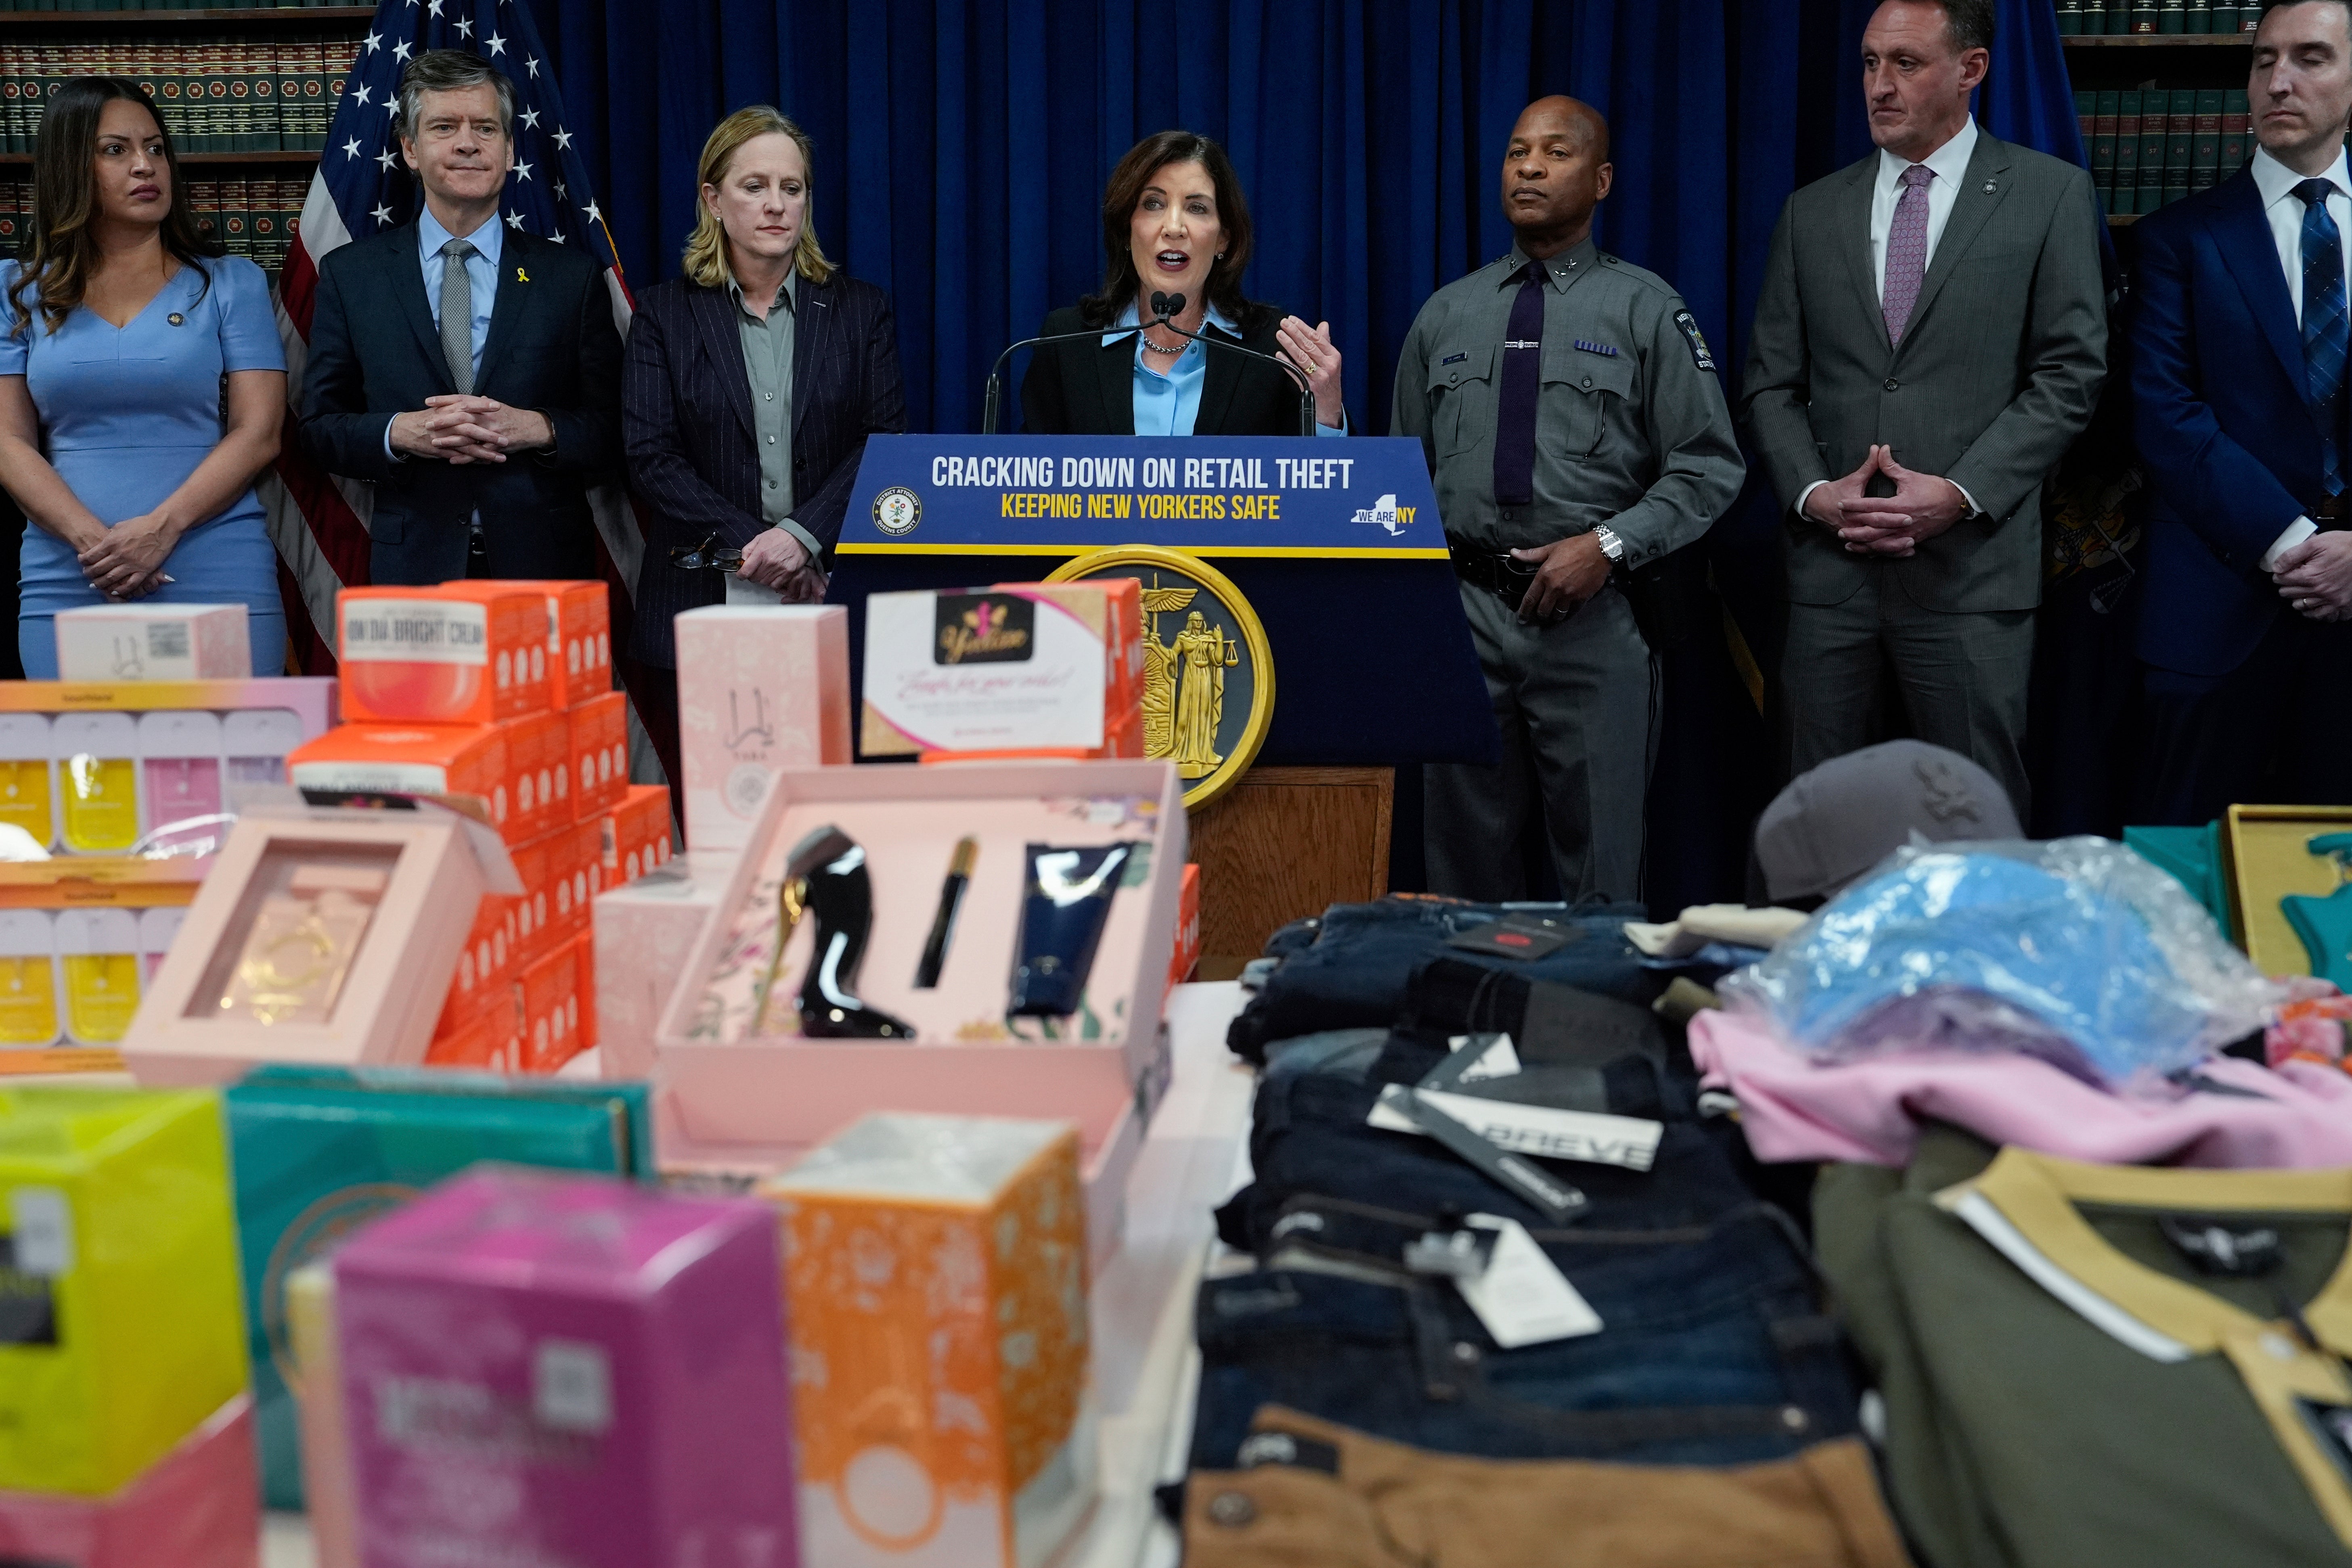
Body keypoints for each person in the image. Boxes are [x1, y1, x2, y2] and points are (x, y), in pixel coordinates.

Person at [1740, 0, 2107, 823]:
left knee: (1974, 826)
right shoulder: (1811, 212)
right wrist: (1811, 493)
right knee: (1812, 832)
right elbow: (1769, 382)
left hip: (1971, 577)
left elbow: (2070, 374)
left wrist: (1961, 492)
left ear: (1970, 70)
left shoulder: (2049, 196)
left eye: (1905, 63)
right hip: (1828, 578)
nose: (1879, 85)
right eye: (1870, 63)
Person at [1393, 96, 1744, 903]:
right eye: (1517, 152)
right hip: (1467, 621)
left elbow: (1708, 466)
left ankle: (1594, 1027)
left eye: (1555, 152)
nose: (1530, 167)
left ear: (1602, 179)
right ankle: (1471, 1018)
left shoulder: (1647, 310)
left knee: (1603, 873)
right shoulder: (1446, 315)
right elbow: (1403, 481)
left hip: (1592, 622)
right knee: (1462, 872)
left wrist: (1609, 547)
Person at [621, 105, 904, 799]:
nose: (778, 205)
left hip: (831, 589)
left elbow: (885, 444)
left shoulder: (860, 310)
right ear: (713, 200)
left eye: (793, 187)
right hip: (704, 594)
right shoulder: (664, 315)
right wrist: (767, 549)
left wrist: (804, 539)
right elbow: (650, 455)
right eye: (755, 187)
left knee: (830, 808)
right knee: (724, 809)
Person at [2130, 0, 2352, 821]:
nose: (2279, 81)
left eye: (2310, 58)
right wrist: (2299, 546)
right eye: (2263, 61)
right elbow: (2166, 416)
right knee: (2184, 888)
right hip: (2214, 615)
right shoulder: (2176, 240)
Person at [299, 50, 622, 584]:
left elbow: (615, 427)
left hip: (542, 566)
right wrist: (402, 432)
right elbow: (317, 428)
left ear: (510, 149)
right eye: (445, 127)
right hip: (413, 566)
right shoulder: (350, 277)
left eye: (486, 129)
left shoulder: (571, 278)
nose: (468, 143)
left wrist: (536, 428)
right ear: (409, 148)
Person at [0, 78, 286, 678]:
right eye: (116, 150)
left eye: (155, 149)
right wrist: (96, 544)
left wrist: (161, 529)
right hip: (72, 573)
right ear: (69, 166)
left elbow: (258, 433)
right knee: (84, 770)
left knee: (232, 769)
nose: (144, 166)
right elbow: (8, 441)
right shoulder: (16, 289)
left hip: (214, 563)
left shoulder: (232, 283)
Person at [1020, 130, 1347, 437]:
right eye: (1153, 204)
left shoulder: (1272, 346)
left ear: (1223, 239)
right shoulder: (1067, 341)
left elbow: (1322, 486)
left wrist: (1327, 411)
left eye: (1196, 208)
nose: (1174, 227)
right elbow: (1030, 478)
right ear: (1126, 231)